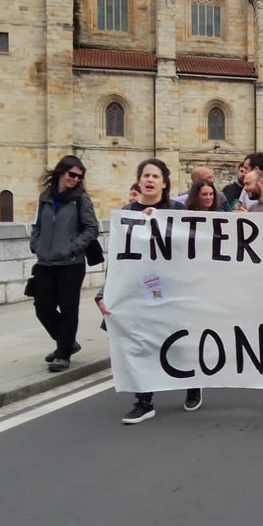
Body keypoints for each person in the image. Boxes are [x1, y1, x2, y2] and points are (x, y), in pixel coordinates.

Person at [101, 159, 203, 424]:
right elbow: (119, 259)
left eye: (155, 176)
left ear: (164, 183)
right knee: (139, 344)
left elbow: (191, 249)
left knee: (179, 341)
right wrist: (105, 292)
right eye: (145, 175)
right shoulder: (127, 213)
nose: (149, 179)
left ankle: (193, 383)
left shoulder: (176, 211)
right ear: (139, 181)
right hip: (139, 292)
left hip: (172, 289)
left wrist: (159, 224)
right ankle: (144, 400)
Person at [30, 156, 100, 373]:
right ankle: (68, 342)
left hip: (71, 263)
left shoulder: (81, 200)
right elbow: (37, 225)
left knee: (69, 308)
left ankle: (63, 352)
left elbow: (91, 228)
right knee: (42, 307)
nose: (75, 179)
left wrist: (71, 248)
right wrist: (36, 244)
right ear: (61, 172)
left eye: (80, 177)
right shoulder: (45, 197)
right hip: (45, 262)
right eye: (72, 175)